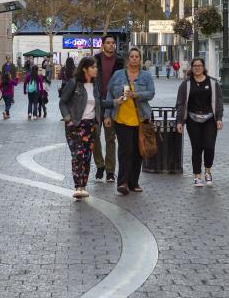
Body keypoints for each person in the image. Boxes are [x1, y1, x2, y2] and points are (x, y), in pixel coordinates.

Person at [106, 47, 156, 195]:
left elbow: (151, 93)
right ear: (128, 60)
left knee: (137, 151)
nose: (134, 59)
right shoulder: (118, 75)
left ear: (140, 60)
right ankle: (123, 182)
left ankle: (134, 182)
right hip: (121, 119)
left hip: (141, 119)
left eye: (137, 57)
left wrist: (137, 94)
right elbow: (110, 94)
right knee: (125, 150)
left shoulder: (146, 76)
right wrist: (107, 115)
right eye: (132, 56)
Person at [175, 58, 224, 187]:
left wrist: (219, 118)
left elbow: (219, 101)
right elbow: (180, 103)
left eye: (200, 65)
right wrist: (179, 121)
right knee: (196, 148)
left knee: (209, 146)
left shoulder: (213, 83)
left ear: (203, 67)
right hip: (192, 119)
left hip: (209, 119)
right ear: (191, 68)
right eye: (195, 66)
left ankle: (208, 172)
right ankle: (197, 176)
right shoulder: (186, 84)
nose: (197, 68)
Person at [59, 57, 102, 199]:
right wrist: (68, 119)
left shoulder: (95, 85)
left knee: (87, 156)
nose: (96, 69)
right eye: (93, 67)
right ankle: (78, 186)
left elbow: (100, 103)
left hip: (90, 126)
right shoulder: (74, 83)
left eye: (96, 67)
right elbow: (63, 102)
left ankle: (83, 186)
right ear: (85, 69)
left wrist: (115, 102)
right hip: (76, 125)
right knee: (78, 155)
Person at [93, 36, 124, 182]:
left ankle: (110, 171)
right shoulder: (95, 60)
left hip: (113, 102)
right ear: (103, 45)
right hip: (96, 103)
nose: (111, 45)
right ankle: (100, 165)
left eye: (113, 43)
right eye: (108, 43)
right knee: (95, 136)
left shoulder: (120, 61)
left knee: (110, 139)